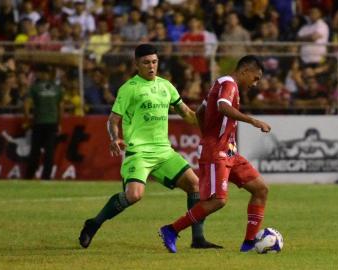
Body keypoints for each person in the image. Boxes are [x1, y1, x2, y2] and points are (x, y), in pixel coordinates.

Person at [78, 44, 221, 249]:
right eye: (146, 62)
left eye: (154, 62)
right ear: (136, 64)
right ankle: (94, 223)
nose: (151, 66)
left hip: (163, 151)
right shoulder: (129, 89)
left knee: (195, 185)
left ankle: (198, 238)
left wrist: (211, 124)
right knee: (134, 195)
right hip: (139, 152)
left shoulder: (166, 86)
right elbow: (113, 119)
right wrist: (114, 138)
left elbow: (188, 115)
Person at [159, 55, 271, 253]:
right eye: (255, 78)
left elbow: (200, 113)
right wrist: (252, 121)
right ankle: (171, 230)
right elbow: (223, 107)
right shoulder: (228, 84)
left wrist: (208, 134)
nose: (255, 84)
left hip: (229, 151)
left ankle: (249, 243)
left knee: (260, 189)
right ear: (245, 71)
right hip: (217, 151)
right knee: (217, 200)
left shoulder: (219, 84)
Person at [24, 65, 64, 180]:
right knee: (49, 152)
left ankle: (29, 176)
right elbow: (60, 108)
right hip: (51, 123)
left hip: (38, 122)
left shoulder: (34, 88)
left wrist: (27, 119)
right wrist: (58, 122)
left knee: (35, 151)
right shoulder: (57, 88)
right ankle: (46, 177)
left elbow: (27, 104)